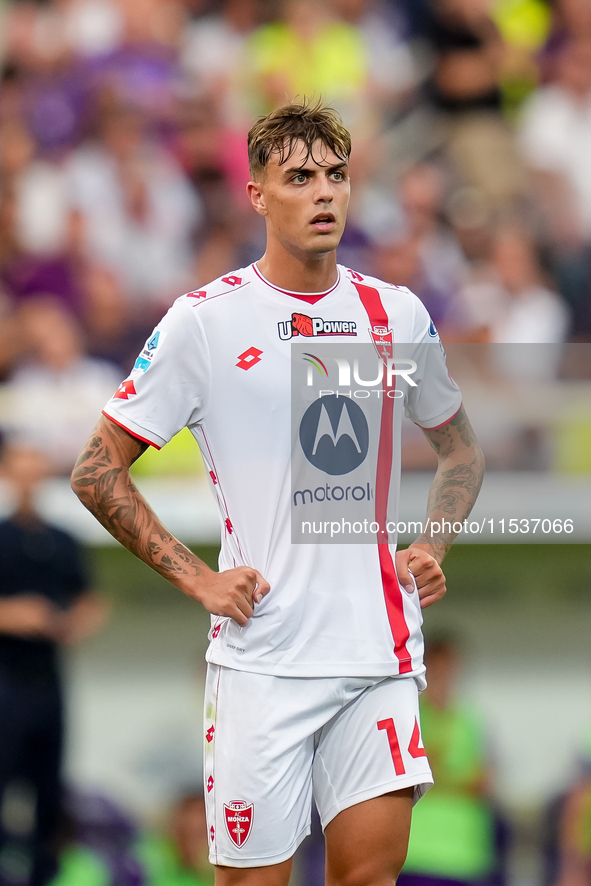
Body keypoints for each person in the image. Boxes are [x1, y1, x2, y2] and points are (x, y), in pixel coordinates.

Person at [71, 100, 485, 886]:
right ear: (256, 193)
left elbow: (459, 447)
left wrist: (433, 541)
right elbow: (96, 470)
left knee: (368, 876)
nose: (324, 193)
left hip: (378, 653)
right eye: (299, 177)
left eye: (335, 175)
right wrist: (197, 577)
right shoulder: (206, 322)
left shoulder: (393, 314)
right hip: (264, 661)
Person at [0, 443, 108, 886]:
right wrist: (14, 614)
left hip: (49, 681)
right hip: (6, 682)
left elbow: (91, 599)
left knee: (48, 785)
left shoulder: (62, 540)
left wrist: (72, 623)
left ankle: (44, 872)